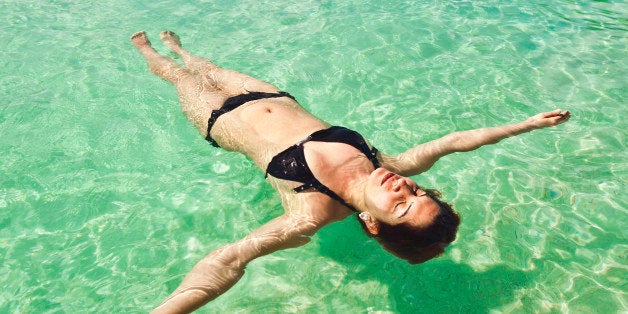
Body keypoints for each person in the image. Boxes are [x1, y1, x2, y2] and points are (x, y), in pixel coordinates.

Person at [130, 30, 571, 313]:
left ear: (373, 225)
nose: (404, 188)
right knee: (206, 66)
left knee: (176, 77)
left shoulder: (311, 211)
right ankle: (182, 47)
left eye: (400, 206)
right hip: (267, 93)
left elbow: (230, 259)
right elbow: (454, 142)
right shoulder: (389, 164)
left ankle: (152, 51)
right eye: (418, 194)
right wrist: (527, 124)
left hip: (216, 118)